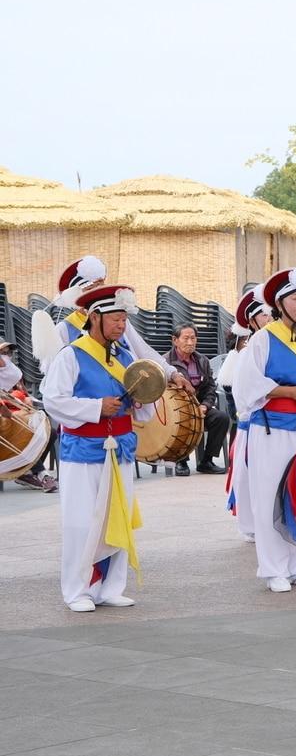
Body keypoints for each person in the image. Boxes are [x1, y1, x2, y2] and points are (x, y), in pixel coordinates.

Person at [40, 285, 151, 612]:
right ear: (94, 317)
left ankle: (110, 587)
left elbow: (140, 407)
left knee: (117, 516)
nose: (121, 325)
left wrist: (140, 404)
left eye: (124, 318)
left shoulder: (126, 357)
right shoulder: (71, 355)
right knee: (81, 521)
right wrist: (94, 407)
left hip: (121, 448)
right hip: (83, 449)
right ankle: (78, 591)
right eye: (115, 318)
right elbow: (53, 401)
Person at [232, 267, 296, 593]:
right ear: (280, 302)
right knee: (270, 496)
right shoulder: (262, 338)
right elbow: (245, 387)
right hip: (272, 428)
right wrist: (287, 392)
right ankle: (273, 569)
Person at [41, 257, 192, 397]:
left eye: (100, 286)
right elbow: (55, 382)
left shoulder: (117, 321)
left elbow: (142, 351)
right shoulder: (64, 329)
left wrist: (173, 373)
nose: (97, 292)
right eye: (92, 288)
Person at [219, 288, 270, 543]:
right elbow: (238, 393)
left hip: (270, 421)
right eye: (263, 315)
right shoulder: (247, 349)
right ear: (251, 320)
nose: (269, 319)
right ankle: (250, 522)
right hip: (251, 420)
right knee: (248, 473)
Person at [164, 323, 231, 477]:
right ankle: (181, 461)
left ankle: (206, 461)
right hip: (176, 411)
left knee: (221, 418)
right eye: (186, 338)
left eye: (193, 338)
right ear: (175, 340)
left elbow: (210, 388)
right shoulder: (166, 362)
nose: (190, 342)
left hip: (199, 408)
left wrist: (205, 406)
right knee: (182, 418)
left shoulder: (202, 361)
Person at [1, 343, 58, 492]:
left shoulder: (14, 375)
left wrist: (26, 399)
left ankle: (26, 471)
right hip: (7, 423)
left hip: (18, 417)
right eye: (2, 353)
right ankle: (41, 473)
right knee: (27, 432)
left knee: (50, 432)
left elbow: (25, 396)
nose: (6, 357)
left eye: (8, 353)